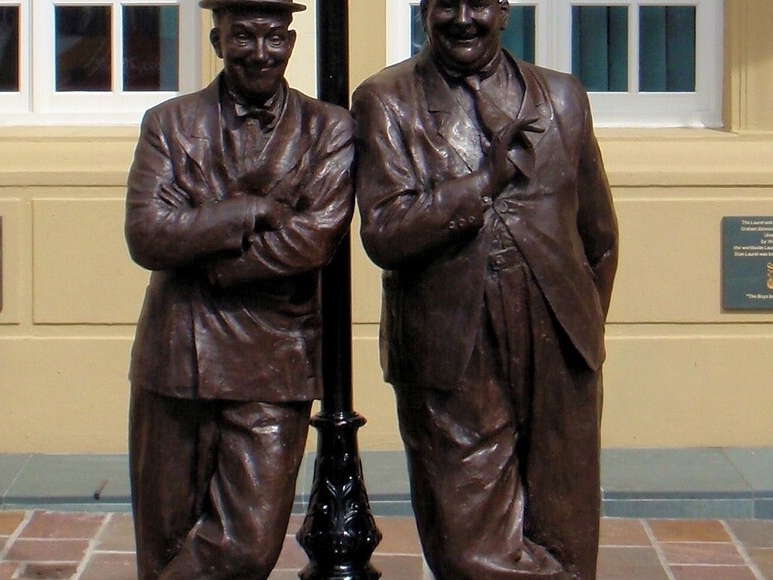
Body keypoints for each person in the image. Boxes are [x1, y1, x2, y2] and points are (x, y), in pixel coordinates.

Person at [352, 0, 618, 577]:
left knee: (568, 532)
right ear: (423, 10)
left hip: (559, 339)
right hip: (452, 348)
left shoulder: (564, 97)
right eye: (447, 3)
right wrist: (480, 184)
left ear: (504, 9)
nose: (463, 18)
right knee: (468, 550)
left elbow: (599, 236)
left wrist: (580, 328)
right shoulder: (386, 100)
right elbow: (385, 233)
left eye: (479, 2)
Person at [123, 0, 354, 576]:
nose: (259, 52)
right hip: (178, 357)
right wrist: (247, 211)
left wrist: (211, 259)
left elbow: (314, 241)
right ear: (217, 39)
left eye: (274, 37)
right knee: (164, 541)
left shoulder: (329, 128)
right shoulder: (169, 123)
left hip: (274, 360)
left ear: (292, 42)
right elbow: (148, 234)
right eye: (243, 36)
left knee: (246, 544)